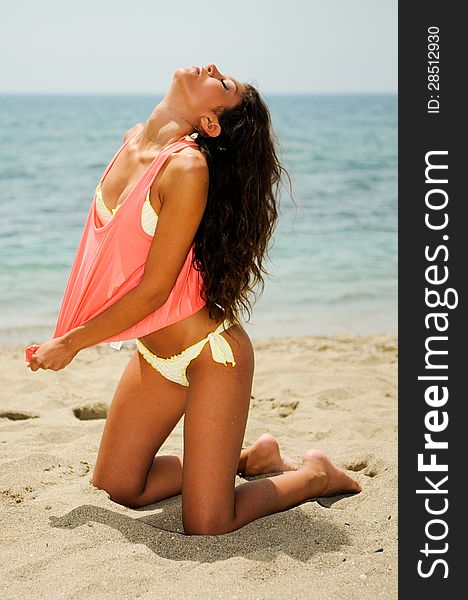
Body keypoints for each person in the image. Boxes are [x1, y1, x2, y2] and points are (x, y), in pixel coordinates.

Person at [26, 64, 361, 535]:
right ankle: (248, 458)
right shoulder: (132, 140)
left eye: (223, 84)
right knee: (119, 488)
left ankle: (315, 475)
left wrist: (73, 341)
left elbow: (154, 290)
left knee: (207, 523)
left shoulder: (186, 167)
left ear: (210, 122)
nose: (213, 69)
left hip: (211, 357)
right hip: (156, 354)